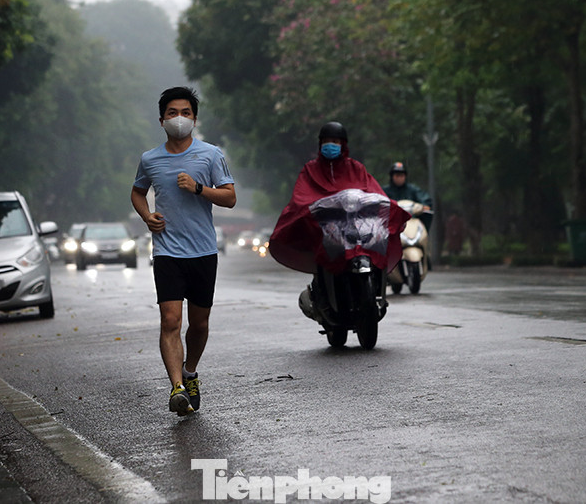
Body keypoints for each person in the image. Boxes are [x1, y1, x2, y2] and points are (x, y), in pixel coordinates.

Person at [131, 86, 236, 416]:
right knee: (170, 320)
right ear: (161, 120)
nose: (180, 118)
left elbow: (230, 197)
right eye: (173, 113)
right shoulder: (150, 159)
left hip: (203, 251)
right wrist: (147, 216)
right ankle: (177, 387)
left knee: (200, 324)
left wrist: (199, 188)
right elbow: (137, 193)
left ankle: (190, 372)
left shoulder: (211, 155)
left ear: (194, 118)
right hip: (167, 252)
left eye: (186, 113)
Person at [269, 122, 409, 315]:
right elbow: (301, 196)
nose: (330, 145)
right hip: (326, 228)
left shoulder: (356, 168)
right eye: (326, 141)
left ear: (343, 144)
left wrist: (385, 204)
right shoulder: (310, 169)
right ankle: (321, 294)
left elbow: (373, 190)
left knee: (375, 245)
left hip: (356, 226)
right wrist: (311, 209)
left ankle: (376, 291)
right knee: (323, 252)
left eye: (335, 141)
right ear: (320, 144)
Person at [382, 161, 433, 230]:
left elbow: (424, 197)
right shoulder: (385, 191)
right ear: (392, 177)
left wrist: (425, 205)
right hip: (391, 225)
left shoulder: (412, 189)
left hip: (411, 222)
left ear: (405, 177)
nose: (399, 178)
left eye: (402, 175)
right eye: (397, 175)